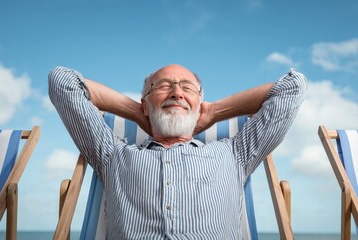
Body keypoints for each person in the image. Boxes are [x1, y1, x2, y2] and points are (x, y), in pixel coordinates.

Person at [48, 64, 307, 239]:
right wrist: (137, 113)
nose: (176, 93)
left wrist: (214, 111)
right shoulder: (112, 155)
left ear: (199, 103)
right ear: (145, 105)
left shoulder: (236, 153)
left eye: (187, 87)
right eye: (162, 87)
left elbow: (293, 87)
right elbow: (62, 81)